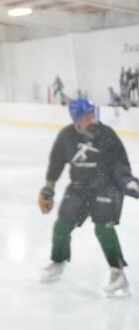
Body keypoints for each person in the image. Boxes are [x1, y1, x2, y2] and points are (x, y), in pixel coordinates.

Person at [38, 98, 139, 296]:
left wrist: (127, 181)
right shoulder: (66, 136)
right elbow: (56, 163)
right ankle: (58, 261)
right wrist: (48, 189)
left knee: (103, 227)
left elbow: (119, 163)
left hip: (106, 186)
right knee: (62, 225)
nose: (92, 118)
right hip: (79, 186)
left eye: (93, 113)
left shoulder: (107, 135)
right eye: (86, 116)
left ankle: (118, 274)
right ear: (76, 119)